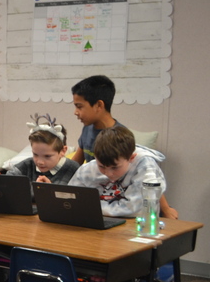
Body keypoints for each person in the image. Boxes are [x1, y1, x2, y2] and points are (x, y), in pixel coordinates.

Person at [69, 75, 178, 219]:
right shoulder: (87, 130)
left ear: (99, 105)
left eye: (79, 106)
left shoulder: (120, 137)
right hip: (101, 200)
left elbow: (147, 176)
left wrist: (165, 208)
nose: (75, 112)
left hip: (121, 201)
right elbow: (76, 164)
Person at [68, 125, 167, 217]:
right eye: (101, 166)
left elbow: (135, 210)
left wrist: (90, 208)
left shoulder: (145, 166)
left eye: (115, 167)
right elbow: (70, 201)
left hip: (137, 225)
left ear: (131, 158)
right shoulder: (87, 170)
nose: (108, 173)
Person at [0, 114, 80, 185]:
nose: (40, 162)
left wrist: (49, 191)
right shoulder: (26, 165)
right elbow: (6, 184)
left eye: (47, 156)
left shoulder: (74, 169)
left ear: (63, 151)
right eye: (35, 154)